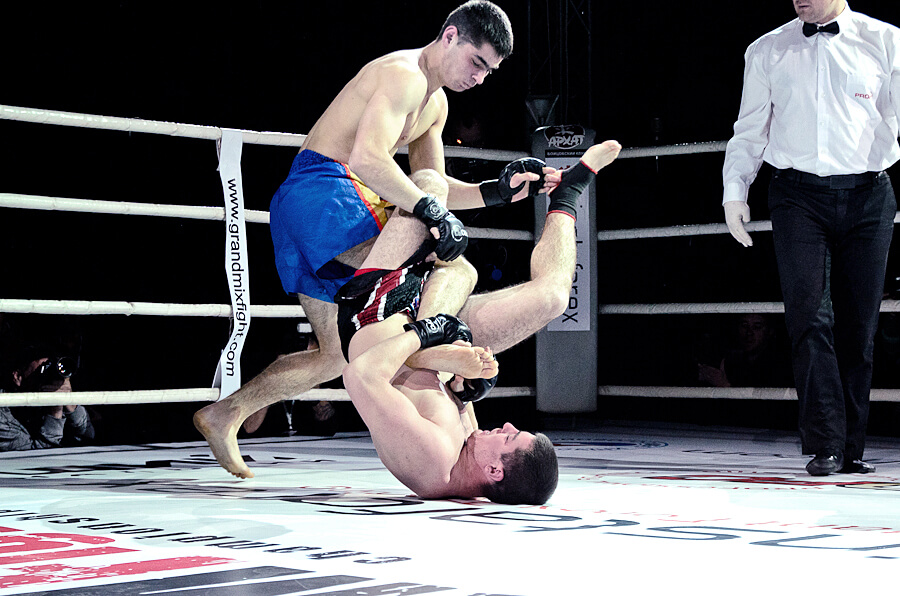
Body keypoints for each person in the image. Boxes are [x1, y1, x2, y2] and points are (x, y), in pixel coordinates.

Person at [194, 1, 560, 478]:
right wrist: (431, 210)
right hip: (327, 196)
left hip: (315, 209)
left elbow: (433, 184)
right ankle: (426, 346)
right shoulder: (402, 75)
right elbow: (370, 159)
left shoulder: (436, 104)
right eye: (476, 62)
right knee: (456, 268)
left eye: (489, 71)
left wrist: (496, 191)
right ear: (450, 35)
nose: (479, 78)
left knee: (334, 355)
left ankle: (224, 414)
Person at [341, 141, 621, 504]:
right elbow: (434, 392)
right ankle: (566, 196)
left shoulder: (435, 461)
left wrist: (424, 334)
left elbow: (360, 376)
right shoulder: (468, 452)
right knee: (550, 297)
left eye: (509, 437)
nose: (506, 425)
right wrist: (462, 392)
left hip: (378, 313)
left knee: (429, 185)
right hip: (425, 323)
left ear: (495, 471)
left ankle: (432, 338)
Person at [721, 0, 900, 475]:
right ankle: (826, 444)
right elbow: (749, 129)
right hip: (797, 196)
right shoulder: (766, 50)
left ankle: (851, 447)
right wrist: (735, 191)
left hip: (869, 194)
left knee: (860, 327)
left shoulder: (886, 41)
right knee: (808, 318)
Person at [0, 325, 95, 451]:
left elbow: (89, 437)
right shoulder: (3, 414)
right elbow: (35, 456)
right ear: (18, 377)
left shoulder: (55, 391)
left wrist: (72, 406)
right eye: (42, 371)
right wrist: (55, 412)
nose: (48, 377)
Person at [698, 313, 791, 388]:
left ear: (770, 331)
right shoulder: (731, 360)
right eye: (744, 325)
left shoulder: (780, 364)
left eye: (757, 327)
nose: (749, 332)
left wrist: (724, 385)